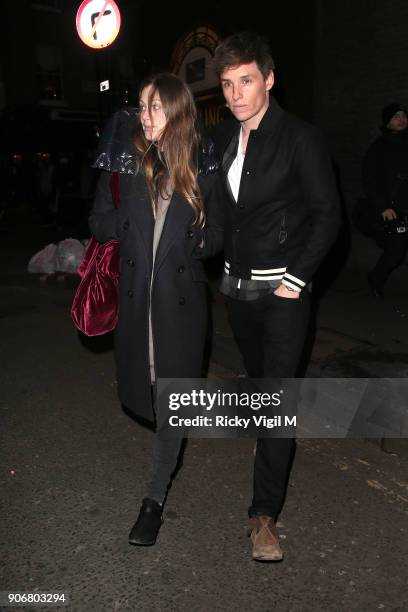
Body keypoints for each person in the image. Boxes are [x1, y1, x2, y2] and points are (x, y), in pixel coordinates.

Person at [211, 32, 340, 561]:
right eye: (226, 84)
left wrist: (298, 279)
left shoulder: (299, 138)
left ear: (267, 79)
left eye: (246, 81)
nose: (236, 93)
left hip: (283, 296)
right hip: (236, 294)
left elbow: (327, 215)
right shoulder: (221, 139)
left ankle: (263, 515)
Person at [89, 73, 223, 546]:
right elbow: (98, 220)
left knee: (173, 406)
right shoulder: (125, 163)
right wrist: (126, 218)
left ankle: (153, 501)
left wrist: (199, 237)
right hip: (136, 302)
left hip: (179, 303)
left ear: (178, 112)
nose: (145, 116)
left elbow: (217, 235)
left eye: (156, 108)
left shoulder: (202, 166)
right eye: (142, 106)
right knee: (147, 395)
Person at [363, 102, 408, 297]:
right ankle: (376, 278)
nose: (401, 119)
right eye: (396, 117)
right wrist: (382, 207)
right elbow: (370, 180)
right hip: (393, 208)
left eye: (403, 116)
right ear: (387, 122)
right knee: (396, 251)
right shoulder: (378, 148)